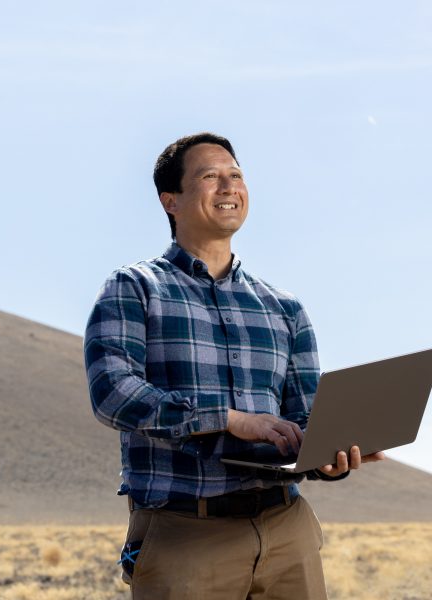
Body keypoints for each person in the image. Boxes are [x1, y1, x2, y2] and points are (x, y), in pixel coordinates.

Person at [83, 132, 384, 599]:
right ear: (171, 201)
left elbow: (303, 418)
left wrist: (330, 456)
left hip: (289, 531)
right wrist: (230, 420)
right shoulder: (135, 288)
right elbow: (113, 394)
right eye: (210, 177)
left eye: (236, 175)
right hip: (186, 534)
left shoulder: (285, 308)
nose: (229, 187)